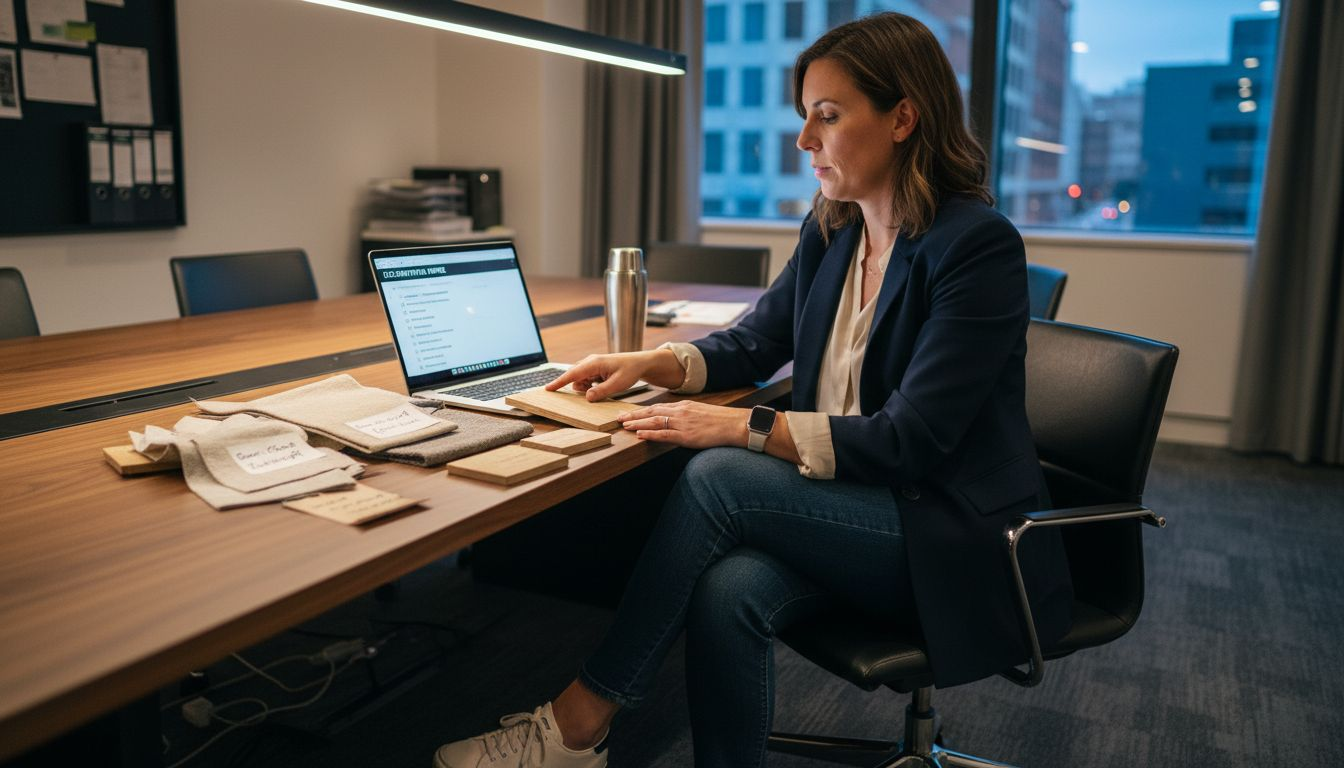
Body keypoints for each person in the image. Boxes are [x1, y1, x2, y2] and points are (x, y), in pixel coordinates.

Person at [433, 11, 1073, 768]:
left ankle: (580, 723)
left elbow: (912, 440)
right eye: (805, 118)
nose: (804, 141)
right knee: (728, 589)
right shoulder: (834, 229)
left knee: (719, 477)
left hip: (944, 531)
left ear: (904, 117)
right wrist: (651, 363)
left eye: (827, 118)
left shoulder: (975, 246)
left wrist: (741, 429)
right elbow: (754, 342)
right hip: (853, 504)